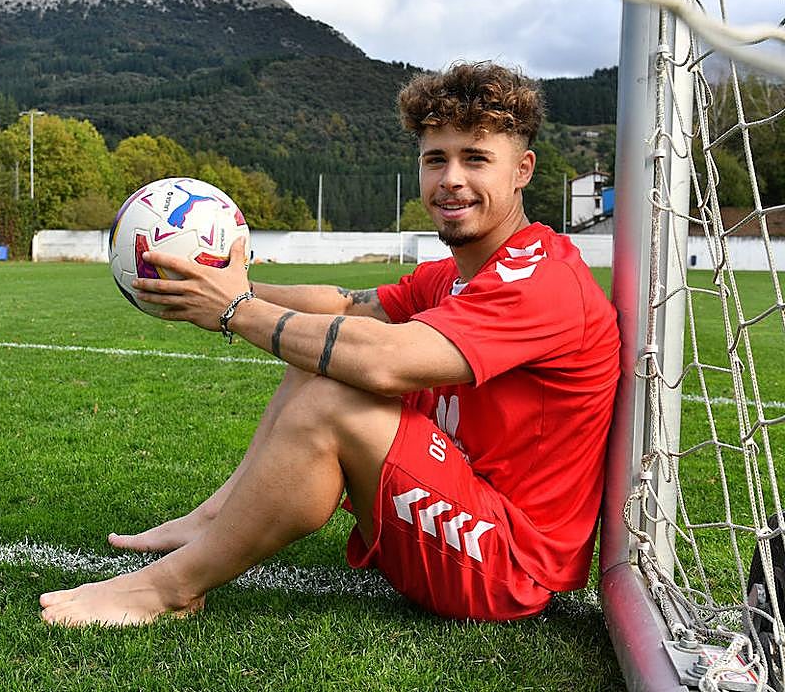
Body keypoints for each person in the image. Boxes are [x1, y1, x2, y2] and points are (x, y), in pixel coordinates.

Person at [39, 61, 621, 626]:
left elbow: (384, 363)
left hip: (510, 566)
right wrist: (218, 282)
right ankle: (213, 517)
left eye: (476, 159)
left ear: (522, 170)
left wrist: (235, 310)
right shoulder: (452, 274)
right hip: (453, 518)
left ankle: (167, 589)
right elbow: (348, 306)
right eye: (435, 159)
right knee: (323, 356)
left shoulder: (542, 280)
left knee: (334, 393)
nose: (451, 179)